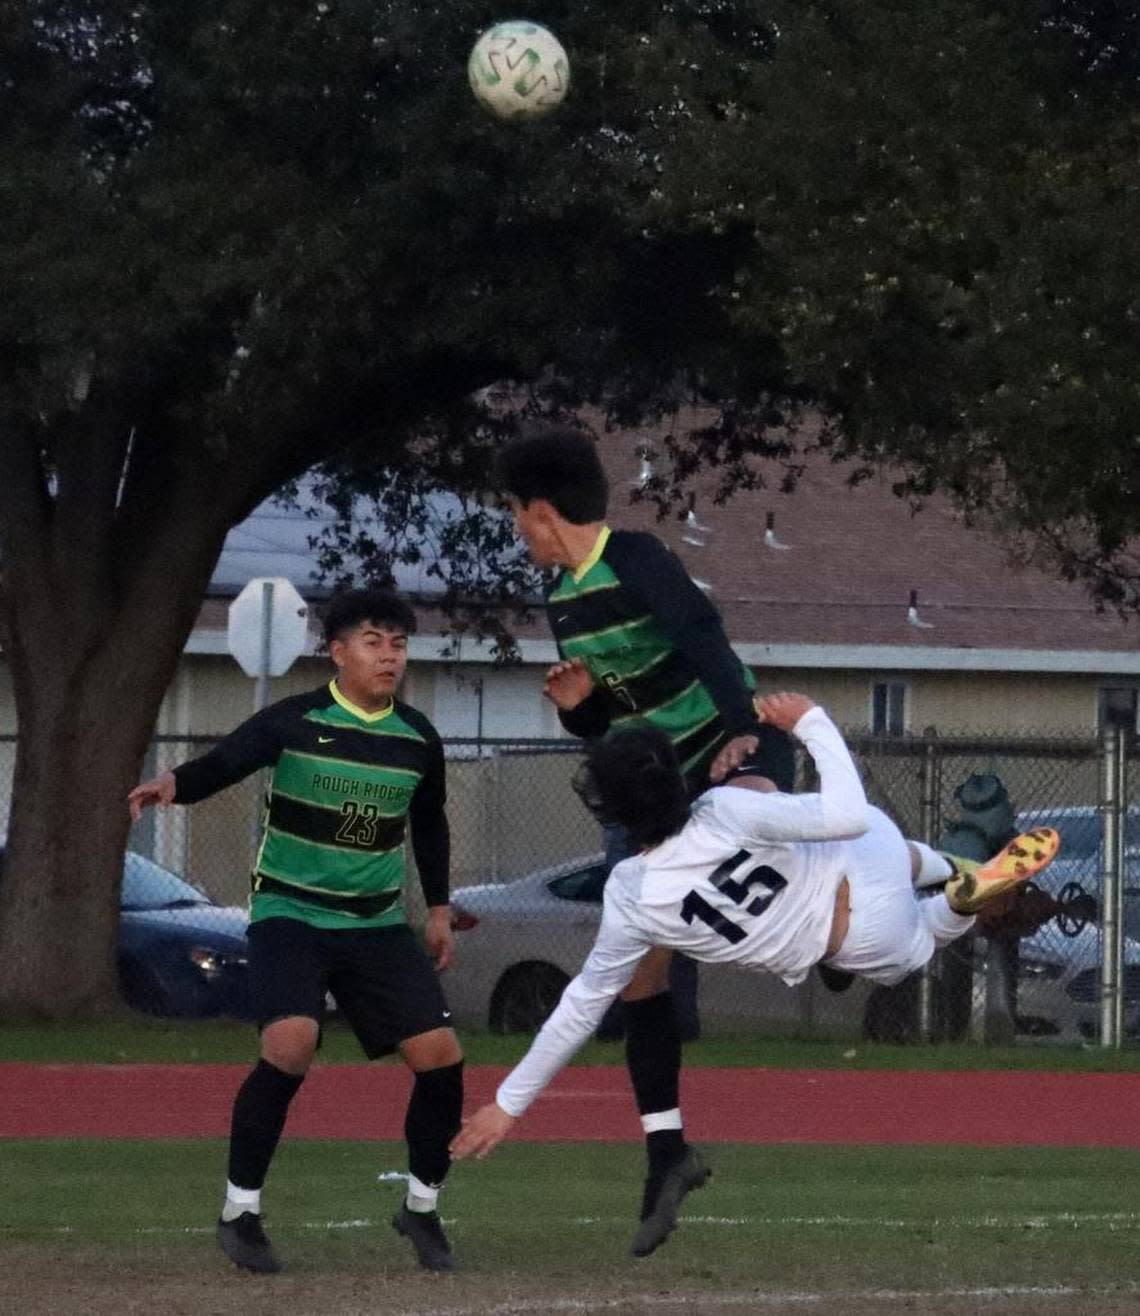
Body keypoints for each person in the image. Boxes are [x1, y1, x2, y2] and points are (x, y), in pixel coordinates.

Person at [451, 692, 1061, 1256]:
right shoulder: (723, 810)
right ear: (675, 777)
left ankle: (958, 900)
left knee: (918, 944)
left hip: (856, 946)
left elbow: (580, 1007)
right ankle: (957, 876)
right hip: (867, 863)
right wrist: (812, 723)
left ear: (610, 814)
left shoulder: (631, 895)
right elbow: (846, 815)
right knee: (839, 827)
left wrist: (508, 1105)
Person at [493, 425, 797, 1256]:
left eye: (515, 513)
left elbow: (701, 632)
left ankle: (922, 898)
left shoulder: (637, 558)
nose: (515, 528)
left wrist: (741, 734)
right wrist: (578, 711)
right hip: (658, 792)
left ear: (542, 510)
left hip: (728, 760)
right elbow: (612, 721)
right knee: (636, 970)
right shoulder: (563, 600)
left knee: (798, 878)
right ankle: (668, 1153)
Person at [128, 588, 463, 1275]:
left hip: (374, 924)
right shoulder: (295, 721)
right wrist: (172, 784)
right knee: (292, 1041)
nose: (389, 655)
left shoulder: (418, 739)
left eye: (398, 643)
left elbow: (428, 823)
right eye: (373, 641)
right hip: (291, 915)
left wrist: (437, 908)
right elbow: (225, 763)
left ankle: (421, 1207)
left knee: (442, 1058)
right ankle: (240, 1211)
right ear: (338, 652)